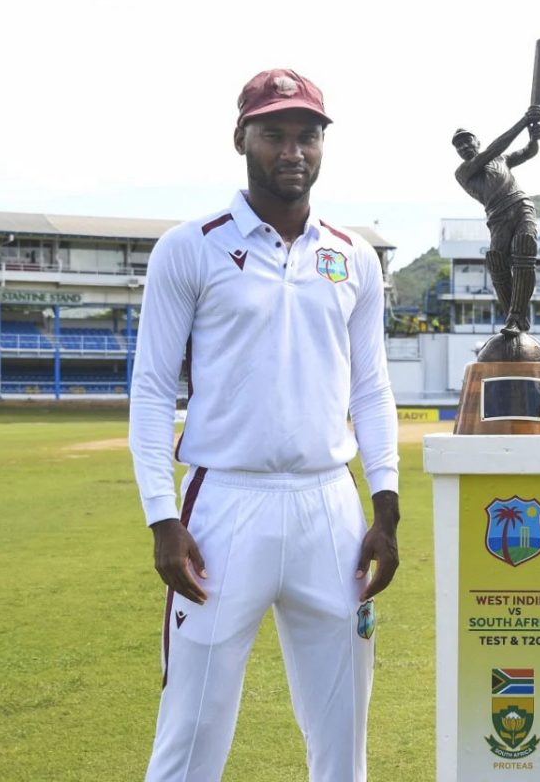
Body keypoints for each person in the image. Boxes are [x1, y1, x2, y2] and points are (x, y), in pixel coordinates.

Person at [129, 68, 400, 782]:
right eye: (274, 133)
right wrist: (162, 517)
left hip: (330, 505)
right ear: (241, 138)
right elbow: (153, 389)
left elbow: (371, 387)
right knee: (192, 728)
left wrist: (386, 507)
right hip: (224, 503)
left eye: (307, 135)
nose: (292, 151)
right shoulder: (191, 248)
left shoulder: (353, 255)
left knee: (343, 732)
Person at [452, 105, 540, 337]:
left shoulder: (502, 159)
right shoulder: (464, 172)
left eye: (467, 141)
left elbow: (528, 152)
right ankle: (514, 315)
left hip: (520, 204)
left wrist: (534, 138)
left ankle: (516, 316)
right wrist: (524, 120)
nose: (463, 147)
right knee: (496, 260)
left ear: (477, 142)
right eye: (458, 145)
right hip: (497, 217)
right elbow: (496, 148)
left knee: (525, 246)